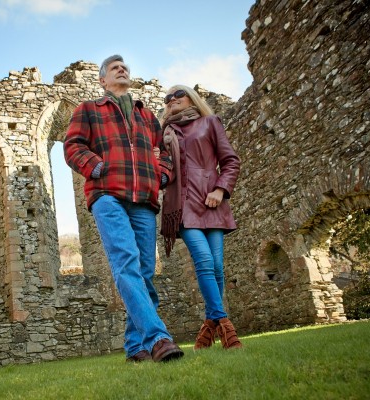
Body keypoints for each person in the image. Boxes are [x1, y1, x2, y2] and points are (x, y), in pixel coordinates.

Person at [64, 55, 184, 363]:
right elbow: (73, 146)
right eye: (115, 68)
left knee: (144, 272)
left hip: (143, 198)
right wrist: (98, 168)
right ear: (102, 80)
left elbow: (166, 155)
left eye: (125, 67)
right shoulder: (89, 110)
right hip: (107, 194)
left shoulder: (146, 116)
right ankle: (158, 338)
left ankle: (135, 347)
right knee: (126, 263)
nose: (122, 69)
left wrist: (161, 175)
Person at [159, 84, 243, 350]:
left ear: (191, 98)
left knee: (217, 267)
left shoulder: (210, 122)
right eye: (167, 98)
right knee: (204, 261)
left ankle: (209, 327)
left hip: (211, 203)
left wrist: (220, 189)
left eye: (178, 95)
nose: (172, 100)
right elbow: (161, 168)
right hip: (181, 207)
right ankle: (225, 326)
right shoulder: (164, 132)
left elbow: (230, 161)